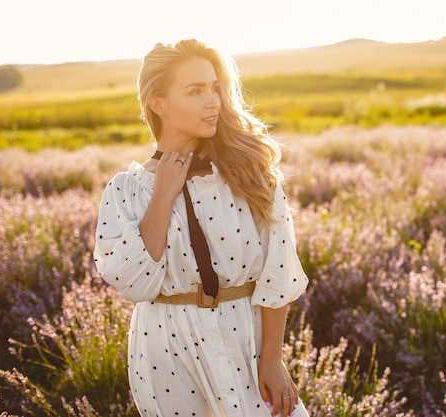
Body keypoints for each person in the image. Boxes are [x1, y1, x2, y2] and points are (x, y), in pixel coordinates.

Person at [94, 39, 309, 417]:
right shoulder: (125, 191)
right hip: (166, 353)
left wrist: (273, 359)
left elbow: (279, 271)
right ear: (158, 103)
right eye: (195, 91)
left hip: (247, 341)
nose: (213, 101)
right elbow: (134, 284)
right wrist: (163, 195)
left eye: (214, 88)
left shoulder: (249, 174)